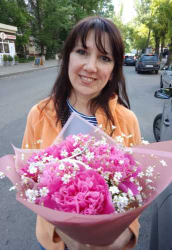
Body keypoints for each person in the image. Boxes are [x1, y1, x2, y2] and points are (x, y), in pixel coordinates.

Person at [22, 16, 142, 250]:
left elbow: (137, 193)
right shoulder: (38, 115)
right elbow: (29, 182)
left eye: (104, 58)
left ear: (114, 68)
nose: (90, 66)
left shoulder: (128, 121)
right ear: (67, 56)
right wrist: (65, 234)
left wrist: (124, 236)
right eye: (82, 52)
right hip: (53, 244)